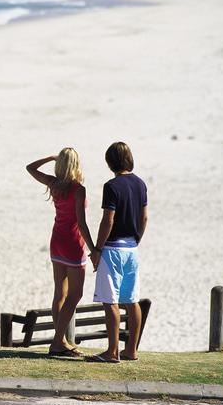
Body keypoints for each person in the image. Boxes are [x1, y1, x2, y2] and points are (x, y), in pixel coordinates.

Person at [26, 148, 96, 357]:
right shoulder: (78, 189)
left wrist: (50, 158)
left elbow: (30, 168)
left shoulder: (54, 184)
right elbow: (82, 224)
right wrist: (93, 250)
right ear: (76, 165)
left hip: (56, 241)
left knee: (60, 293)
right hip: (73, 244)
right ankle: (58, 342)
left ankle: (62, 340)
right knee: (75, 294)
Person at [87, 142, 148, 363]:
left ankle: (112, 352)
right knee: (132, 300)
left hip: (112, 248)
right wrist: (137, 238)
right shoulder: (140, 184)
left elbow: (108, 220)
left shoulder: (111, 186)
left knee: (110, 301)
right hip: (132, 248)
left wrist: (97, 248)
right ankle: (131, 349)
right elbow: (144, 217)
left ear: (110, 162)